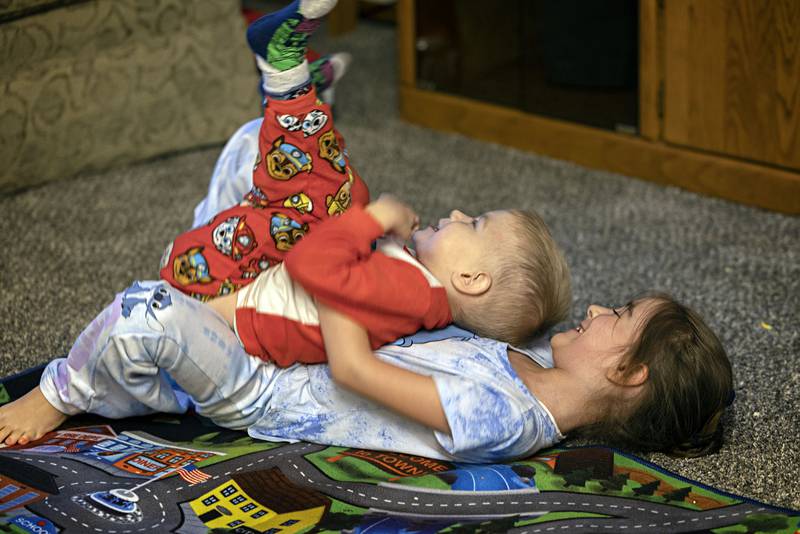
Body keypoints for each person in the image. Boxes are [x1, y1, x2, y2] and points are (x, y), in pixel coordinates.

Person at [158, 0, 572, 368]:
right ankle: (304, 102)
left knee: (323, 201)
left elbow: (311, 264)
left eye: (476, 223)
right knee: (348, 195)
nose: (462, 214)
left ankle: (285, 74)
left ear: (470, 279)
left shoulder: (408, 292)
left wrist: (374, 220)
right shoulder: (419, 290)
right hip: (238, 269)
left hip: (212, 287)